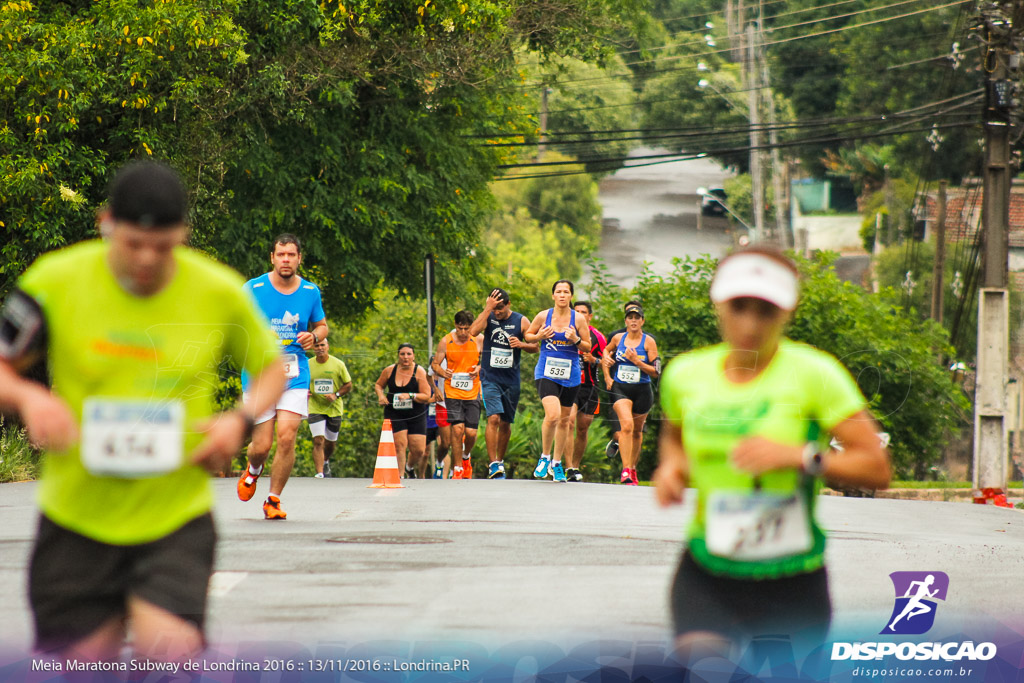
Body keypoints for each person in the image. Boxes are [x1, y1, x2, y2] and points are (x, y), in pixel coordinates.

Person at [0, 161, 285, 661]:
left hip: (174, 520)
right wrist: (29, 397)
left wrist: (238, 420)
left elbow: (272, 369)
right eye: (133, 245)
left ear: (184, 235)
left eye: (165, 246)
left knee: (169, 662)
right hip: (77, 520)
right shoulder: (54, 281)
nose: (148, 259)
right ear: (105, 223)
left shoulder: (217, 290)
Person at [653, 245, 890, 654]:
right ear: (719, 305)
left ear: (787, 313)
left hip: (792, 579)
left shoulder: (816, 374)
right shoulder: (685, 375)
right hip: (708, 570)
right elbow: (674, 438)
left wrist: (801, 457)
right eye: (739, 306)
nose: (750, 323)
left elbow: (875, 467)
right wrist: (673, 469)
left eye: (765, 310)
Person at [237, 234, 328, 520]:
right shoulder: (253, 288)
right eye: (281, 255)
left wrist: (313, 336)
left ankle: (273, 499)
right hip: (260, 373)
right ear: (272, 258)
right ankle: (253, 471)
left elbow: (322, 325)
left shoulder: (310, 291)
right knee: (261, 447)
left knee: (287, 438)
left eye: (291, 255)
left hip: (294, 372)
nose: (286, 260)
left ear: (299, 258)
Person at [524, 279, 591, 482]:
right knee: (552, 415)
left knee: (564, 422)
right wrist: (539, 336)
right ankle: (545, 457)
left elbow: (587, 346)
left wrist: (576, 340)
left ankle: (557, 463)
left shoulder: (578, 319)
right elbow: (527, 335)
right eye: (559, 291)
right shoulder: (544, 316)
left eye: (566, 292)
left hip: (570, 376)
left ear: (571, 296)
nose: (562, 295)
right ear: (553, 295)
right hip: (546, 372)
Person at [469, 288, 538, 479]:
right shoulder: (488, 316)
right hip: (490, 377)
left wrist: (522, 345)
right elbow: (473, 332)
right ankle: (493, 464)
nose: (497, 312)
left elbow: (535, 347)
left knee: (506, 423)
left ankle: (500, 461)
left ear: (508, 304)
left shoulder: (521, 320)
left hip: (511, 380)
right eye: (494, 308)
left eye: (500, 308)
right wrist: (487, 308)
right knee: (493, 418)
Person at [604, 303, 660, 486]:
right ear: (626, 321)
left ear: (642, 321)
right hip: (621, 388)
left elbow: (656, 371)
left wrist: (637, 361)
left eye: (637, 318)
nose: (633, 321)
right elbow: (606, 350)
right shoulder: (619, 338)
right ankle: (626, 470)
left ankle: (633, 468)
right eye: (630, 318)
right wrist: (606, 362)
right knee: (626, 426)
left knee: (637, 432)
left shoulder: (649, 342)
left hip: (642, 391)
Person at [431, 312, 483, 479]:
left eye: (466, 329)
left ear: (471, 326)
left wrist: (479, 368)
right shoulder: (446, 341)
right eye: (459, 328)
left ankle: (466, 456)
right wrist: (442, 372)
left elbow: (487, 361)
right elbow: (435, 364)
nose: (462, 332)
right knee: (457, 429)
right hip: (452, 391)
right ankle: (458, 468)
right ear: (455, 325)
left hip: (473, 391)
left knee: (471, 432)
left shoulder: (479, 339)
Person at [374, 343, 431, 477]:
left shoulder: (420, 372)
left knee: (419, 450)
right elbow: (378, 385)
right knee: (400, 444)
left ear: (414, 356)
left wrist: (411, 395)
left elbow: (427, 395)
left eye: (409, 354)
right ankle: (399, 476)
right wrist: (381, 396)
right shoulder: (389, 370)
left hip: (415, 413)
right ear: (398, 355)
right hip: (394, 412)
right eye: (402, 354)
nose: (405, 357)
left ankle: (409, 467)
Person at [565, 301, 606, 482]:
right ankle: (566, 466)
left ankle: (575, 465)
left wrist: (594, 360)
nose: (580, 314)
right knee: (569, 422)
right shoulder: (564, 331)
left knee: (582, 428)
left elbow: (606, 362)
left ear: (590, 316)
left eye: (584, 312)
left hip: (589, 386)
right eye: (577, 311)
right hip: (570, 383)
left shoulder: (598, 337)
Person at [307, 337, 353, 478]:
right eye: (316, 346)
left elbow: (348, 384)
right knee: (318, 439)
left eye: (322, 345)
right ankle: (320, 472)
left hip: (333, 408)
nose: (319, 348)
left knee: (330, 442)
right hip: (315, 407)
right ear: (312, 348)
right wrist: (305, 391)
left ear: (327, 346)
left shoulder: (337, 364)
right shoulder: (308, 364)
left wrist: (336, 394)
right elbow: (301, 380)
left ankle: (326, 460)